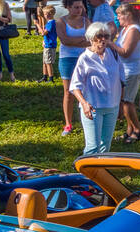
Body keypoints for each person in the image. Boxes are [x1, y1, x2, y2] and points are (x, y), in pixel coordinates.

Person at [70, 22, 124, 155]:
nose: (103, 39)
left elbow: (121, 80)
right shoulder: (85, 58)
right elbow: (75, 86)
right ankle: (86, 173)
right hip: (93, 108)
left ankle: (101, 173)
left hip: (112, 106)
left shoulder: (114, 55)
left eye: (107, 36)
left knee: (105, 146)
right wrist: (84, 104)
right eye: (99, 36)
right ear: (91, 38)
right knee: (93, 147)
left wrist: (121, 103)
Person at [111, 4, 140, 142]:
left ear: (128, 15)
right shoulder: (125, 29)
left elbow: (125, 52)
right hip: (124, 69)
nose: (118, 18)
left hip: (132, 69)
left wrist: (109, 43)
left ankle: (138, 130)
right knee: (124, 101)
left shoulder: (133, 30)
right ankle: (129, 130)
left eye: (120, 15)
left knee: (127, 102)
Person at [57, 0, 91, 135]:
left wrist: (75, 41)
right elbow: (65, 40)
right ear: (68, 7)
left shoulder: (86, 21)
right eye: (76, 7)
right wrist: (82, 40)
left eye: (81, 7)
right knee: (68, 92)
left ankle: (87, 118)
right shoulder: (60, 22)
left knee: (86, 89)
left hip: (84, 59)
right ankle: (68, 123)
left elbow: (90, 40)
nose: (79, 10)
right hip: (67, 59)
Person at [39, 5, 58, 81]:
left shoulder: (51, 23)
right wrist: (44, 41)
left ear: (50, 14)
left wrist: (37, 24)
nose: (44, 15)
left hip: (50, 45)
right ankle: (45, 76)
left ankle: (51, 78)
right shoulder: (49, 22)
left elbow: (43, 33)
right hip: (47, 44)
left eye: (45, 14)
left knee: (48, 63)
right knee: (44, 62)